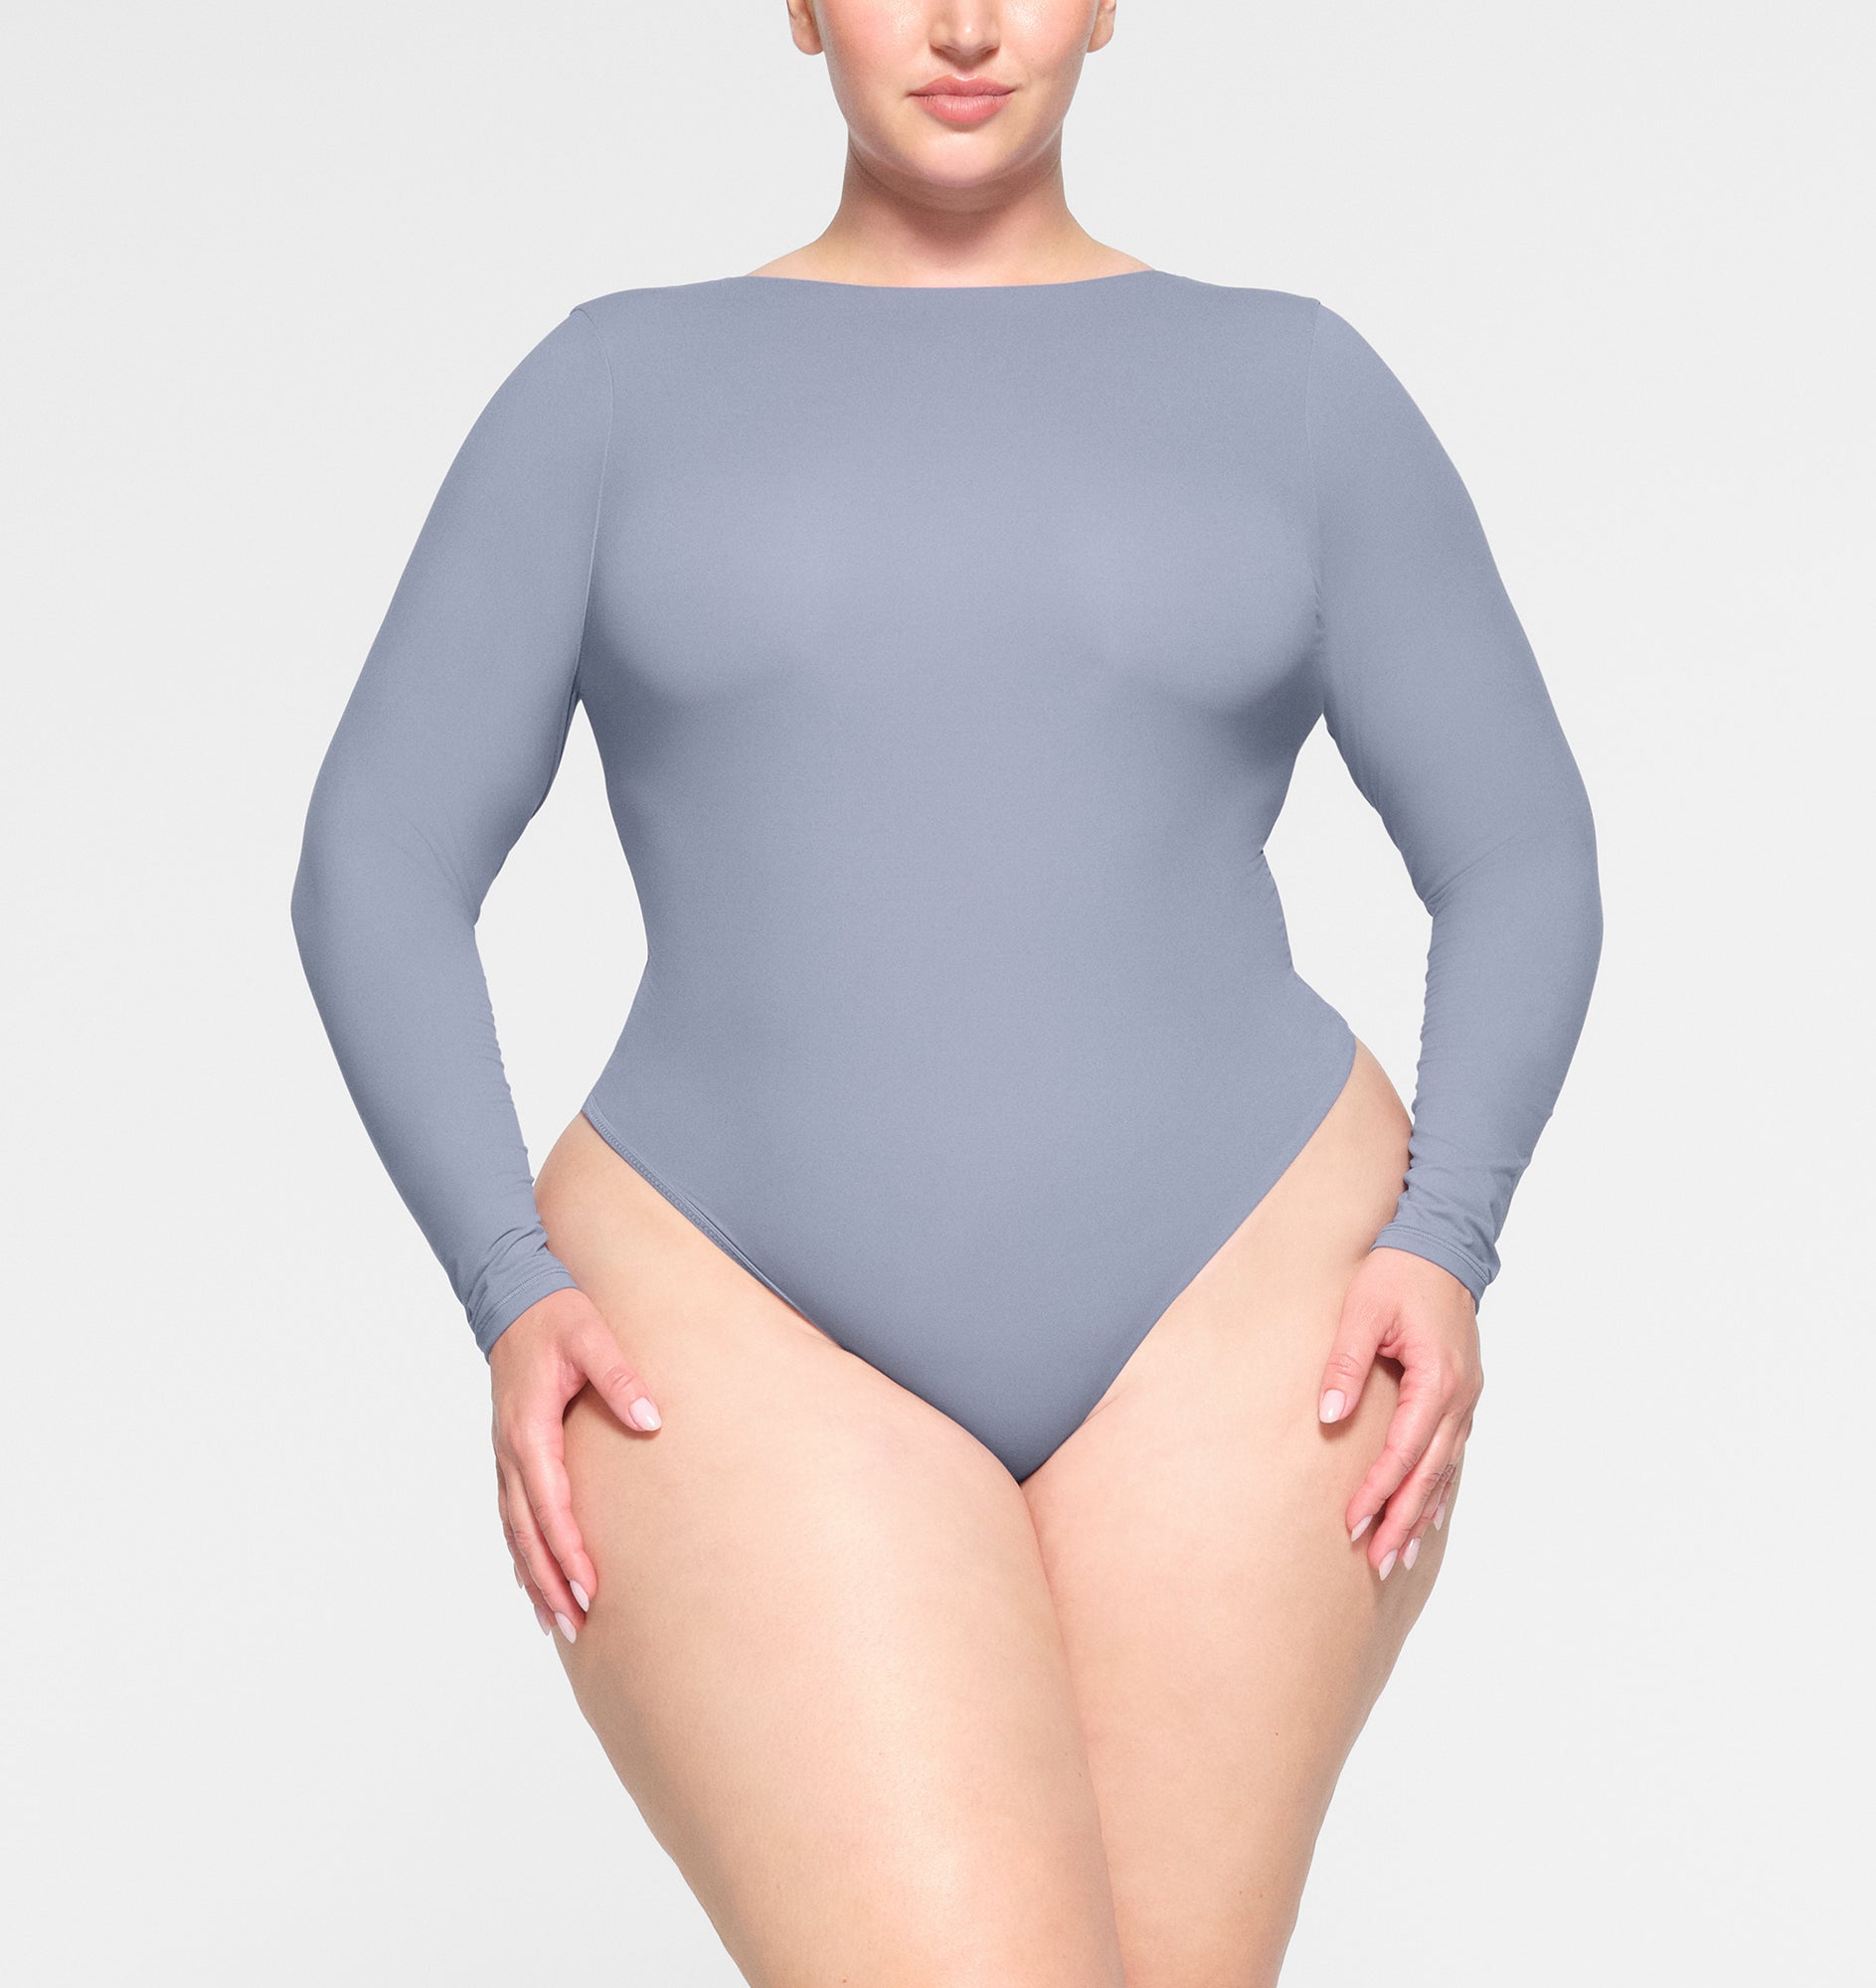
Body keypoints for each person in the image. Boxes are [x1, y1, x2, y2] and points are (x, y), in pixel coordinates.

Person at [289, 3, 1603, 1979]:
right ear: (800, 7)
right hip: (725, 1310)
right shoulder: (611, 392)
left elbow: (1520, 850)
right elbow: (378, 857)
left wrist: (1450, 1235)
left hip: (1248, 1309)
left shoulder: (1297, 389)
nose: (969, 24)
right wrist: (505, 1277)